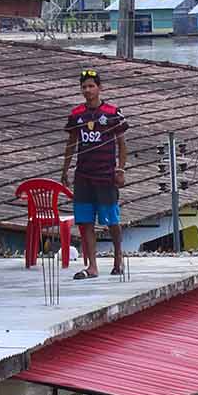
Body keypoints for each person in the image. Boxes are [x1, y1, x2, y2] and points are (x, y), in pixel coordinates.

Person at [60, 67, 128, 280]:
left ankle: (118, 257)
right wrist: (65, 169)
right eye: (84, 87)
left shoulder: (112, 113)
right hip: (83, 176)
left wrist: (121, 169)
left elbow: (122, 144)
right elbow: (71, 143)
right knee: (85, 221)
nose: (88, 90)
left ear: (99, 88)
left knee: (111, 220)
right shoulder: (76, 115)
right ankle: (92, 266)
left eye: (91, 86)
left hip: (106, 175)